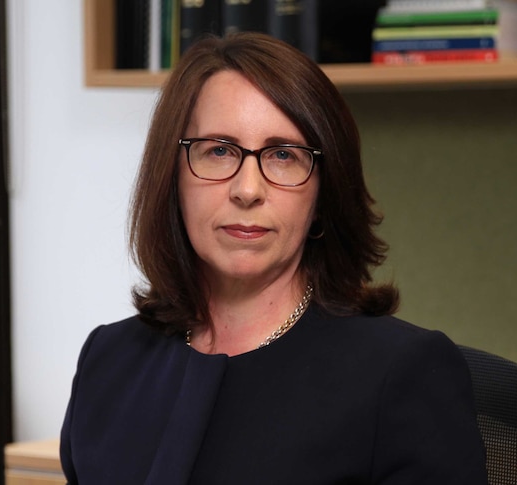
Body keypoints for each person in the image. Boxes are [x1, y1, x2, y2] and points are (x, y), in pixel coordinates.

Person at [60, 32, 487, 484]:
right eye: (219, 150)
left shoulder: (402, 373)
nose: (248, 190)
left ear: (323, 192)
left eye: (283, 155)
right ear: (172, 177)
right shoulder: (109, 361)